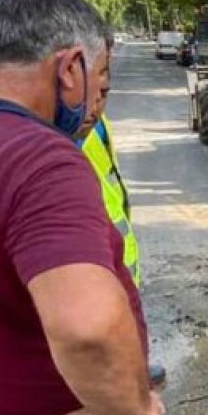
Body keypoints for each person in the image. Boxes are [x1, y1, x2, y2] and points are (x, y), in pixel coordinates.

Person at [0, 0, 187, 415]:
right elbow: (87, 330)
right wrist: (132, 411)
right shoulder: (38, 158)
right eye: (103, 86)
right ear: (71, 69)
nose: (97, 110)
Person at [77, 46, 142, 287]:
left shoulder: (100, 126)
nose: (92, 107)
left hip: (121, 282)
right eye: (84, 94)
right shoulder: (47, 150)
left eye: (103, 93)